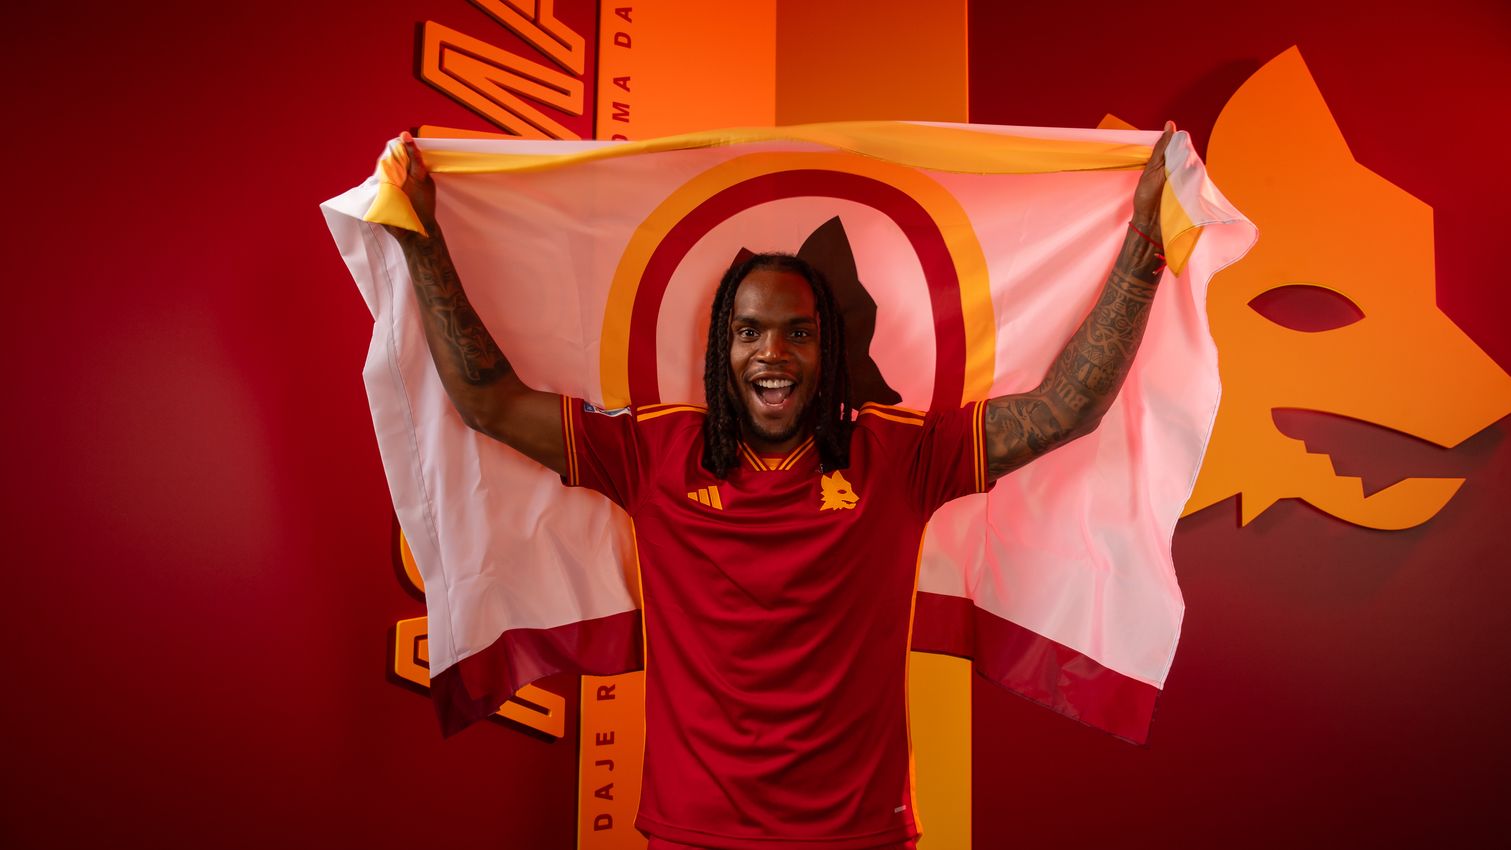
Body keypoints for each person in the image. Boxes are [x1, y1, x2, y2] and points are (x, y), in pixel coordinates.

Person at [385, 124, 1174, 850]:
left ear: (829, 355)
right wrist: (421, 241)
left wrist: (1145, 241)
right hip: (693, 833)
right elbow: (488, 401)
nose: (772, 352)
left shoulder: (895, 458)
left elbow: (1065, 409)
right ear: (719, 351)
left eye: (798, 333)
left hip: (857, 835)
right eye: (748, 331)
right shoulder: (653, 453)